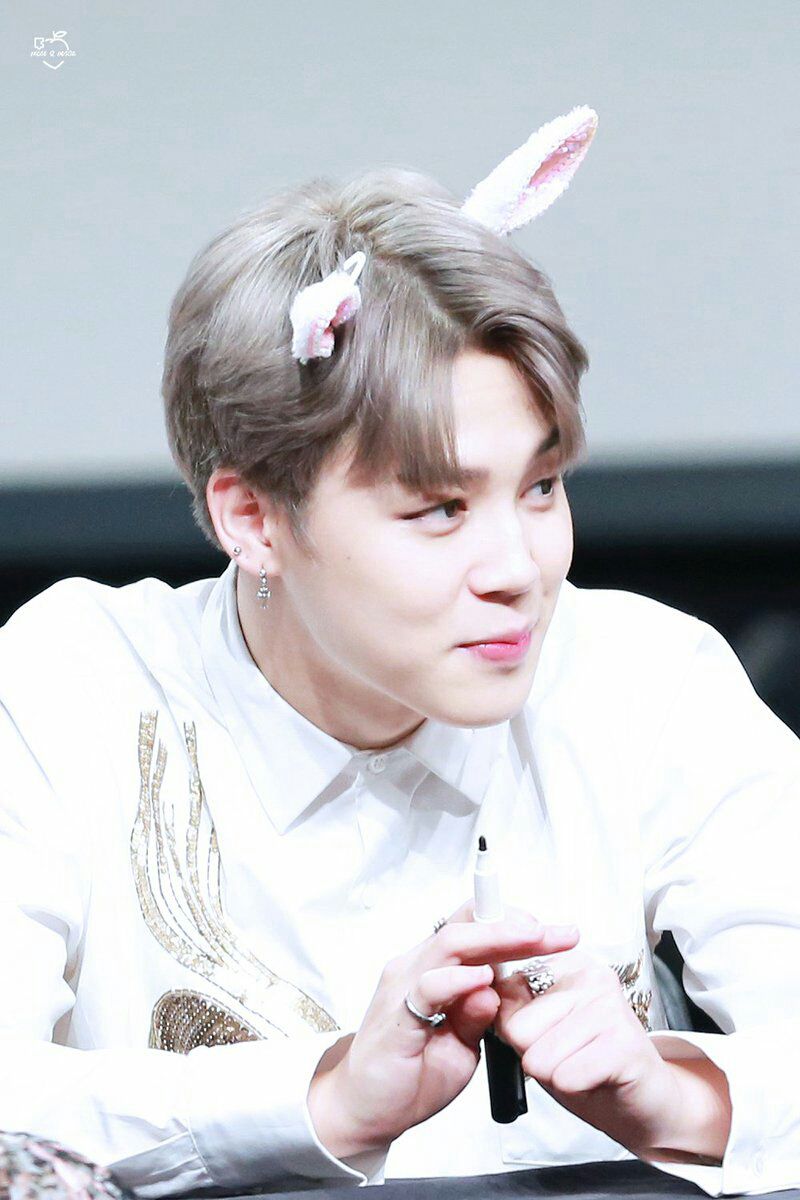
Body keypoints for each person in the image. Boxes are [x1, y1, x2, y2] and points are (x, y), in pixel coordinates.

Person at [1, 105, 798, 1199]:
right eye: (438, 510)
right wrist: (324, 1102)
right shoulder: (70, 687)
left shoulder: (644, 679)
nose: (519, 567)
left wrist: (680, 1098)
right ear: (251, 518)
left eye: (541, 486)